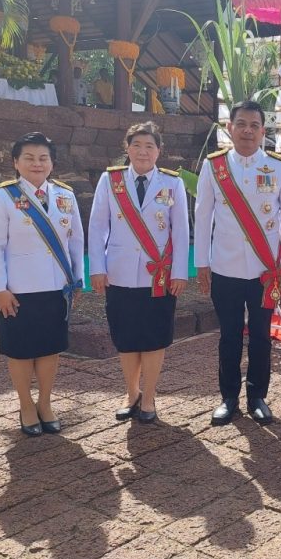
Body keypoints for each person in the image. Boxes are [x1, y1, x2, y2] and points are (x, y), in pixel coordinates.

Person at [195, 100, 281, 426]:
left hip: (264, 271)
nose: (248, 131)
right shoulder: (214, 166)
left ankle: (257, 397)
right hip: (225, 267)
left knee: (261, 335)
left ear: (263, 131)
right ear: (230, 128)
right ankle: (228, 398)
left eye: (254, 125)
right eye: (241, 124)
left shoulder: (278, 167)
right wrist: (201, 263)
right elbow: (203, 216)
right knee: (228, 335)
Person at [0, 132, 84, 436]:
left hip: (57, 287)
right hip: (18, 290)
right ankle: (26, 405)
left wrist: (76, 279)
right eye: (29, 158)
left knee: (50, 349)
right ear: (16, 162)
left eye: (43, 158)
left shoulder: (65, 195)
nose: (37, 164)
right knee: (21, 351)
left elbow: (76, 241)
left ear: (52, 163)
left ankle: (45, 403)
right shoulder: (2, 196)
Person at [88, 122, 189, 424]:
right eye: (137, 145)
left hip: (159, 275)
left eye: (149, 146)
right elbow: (97, 226)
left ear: (159, 151)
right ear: (127, 148)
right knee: (126, 337)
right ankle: (131, 392)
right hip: (119, 273)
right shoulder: (111, 180)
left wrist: (180, 272)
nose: (143, 152)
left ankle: (149, 396)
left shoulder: (172, 183)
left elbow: (181, 230)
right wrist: (97, 267)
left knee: (155, 338)